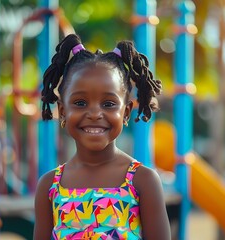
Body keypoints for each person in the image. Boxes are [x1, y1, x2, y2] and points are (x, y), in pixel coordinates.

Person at [34, 34, 171, 239]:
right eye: (80, 103)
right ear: (62, 111)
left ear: (125, 113)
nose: (95, 113)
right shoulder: (50, 185)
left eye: (108, 104)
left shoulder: (143, 181)